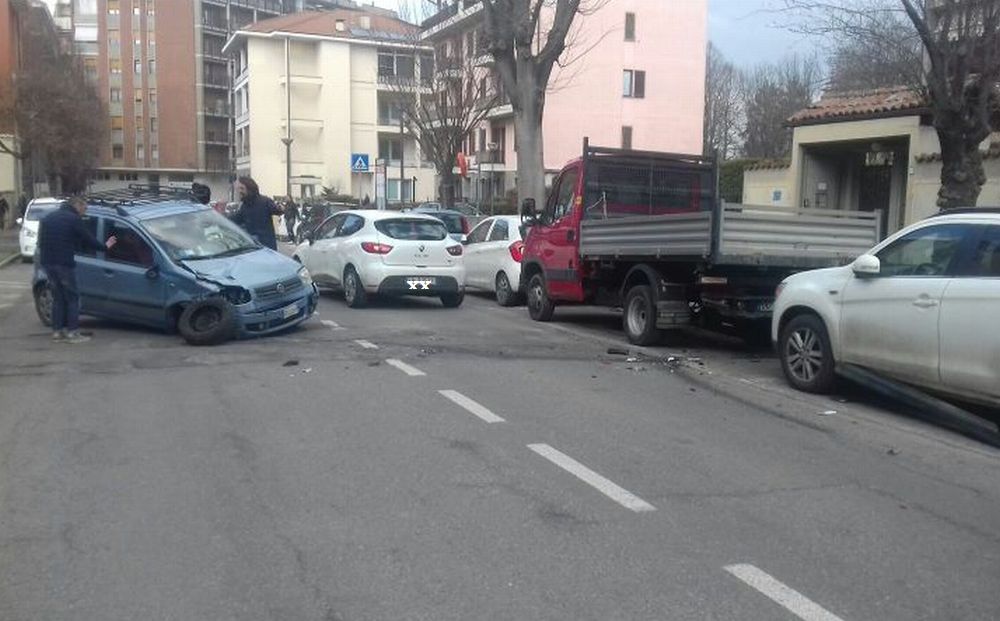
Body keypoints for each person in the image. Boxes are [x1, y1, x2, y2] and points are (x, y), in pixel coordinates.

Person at [37, 197, 117, 344]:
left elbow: (41, 242)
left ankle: (57, 332)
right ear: (77, 206)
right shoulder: (73, 219)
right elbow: (87, 239)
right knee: (72, 298)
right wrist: (105, 247)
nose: (84, 212)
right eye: (84, 208)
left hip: (48, 264)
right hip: (64, 265)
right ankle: (72, 333)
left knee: (58, 298)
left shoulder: (49, 218)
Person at [231, 176, 282, 250]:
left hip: (266, 247)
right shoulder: (245, 205)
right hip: (253, 247)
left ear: (250, 189)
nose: (239, 191)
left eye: (242, 188)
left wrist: (281, 208)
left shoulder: (265, 201)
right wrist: (218, 218)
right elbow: (235, 219)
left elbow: (277, 211)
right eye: (238, 189)